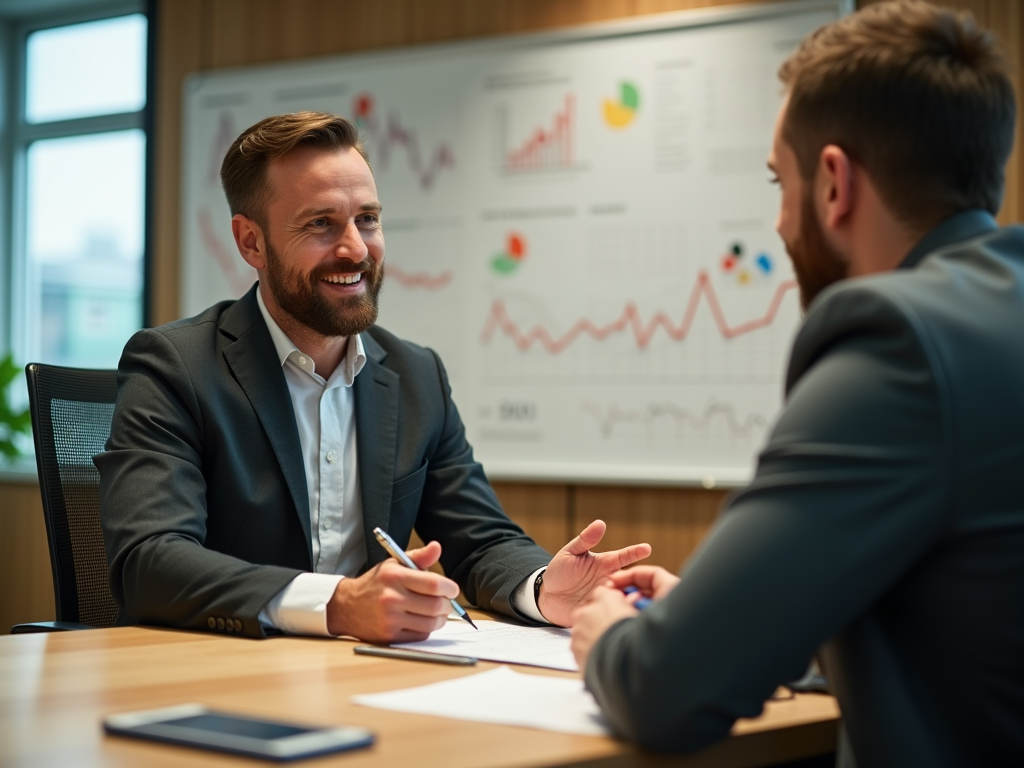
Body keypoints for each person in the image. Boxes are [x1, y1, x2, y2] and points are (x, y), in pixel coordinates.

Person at [570, 2, 1024, 765]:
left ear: (835, 183)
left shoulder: (900, 345)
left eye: (782, 181)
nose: (780, 221)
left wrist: (612, 637)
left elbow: (666, 690)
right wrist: (742, 622)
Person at [97, 111, 650, 642]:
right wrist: (335, 604)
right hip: (211, 671)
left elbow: (479, 541)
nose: (356, 249)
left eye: (368, 219)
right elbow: (150, 559)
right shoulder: (175, 366)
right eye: (321, 224)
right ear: (251, 242)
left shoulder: (416, 376)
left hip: (359, 674)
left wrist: (542, 590)